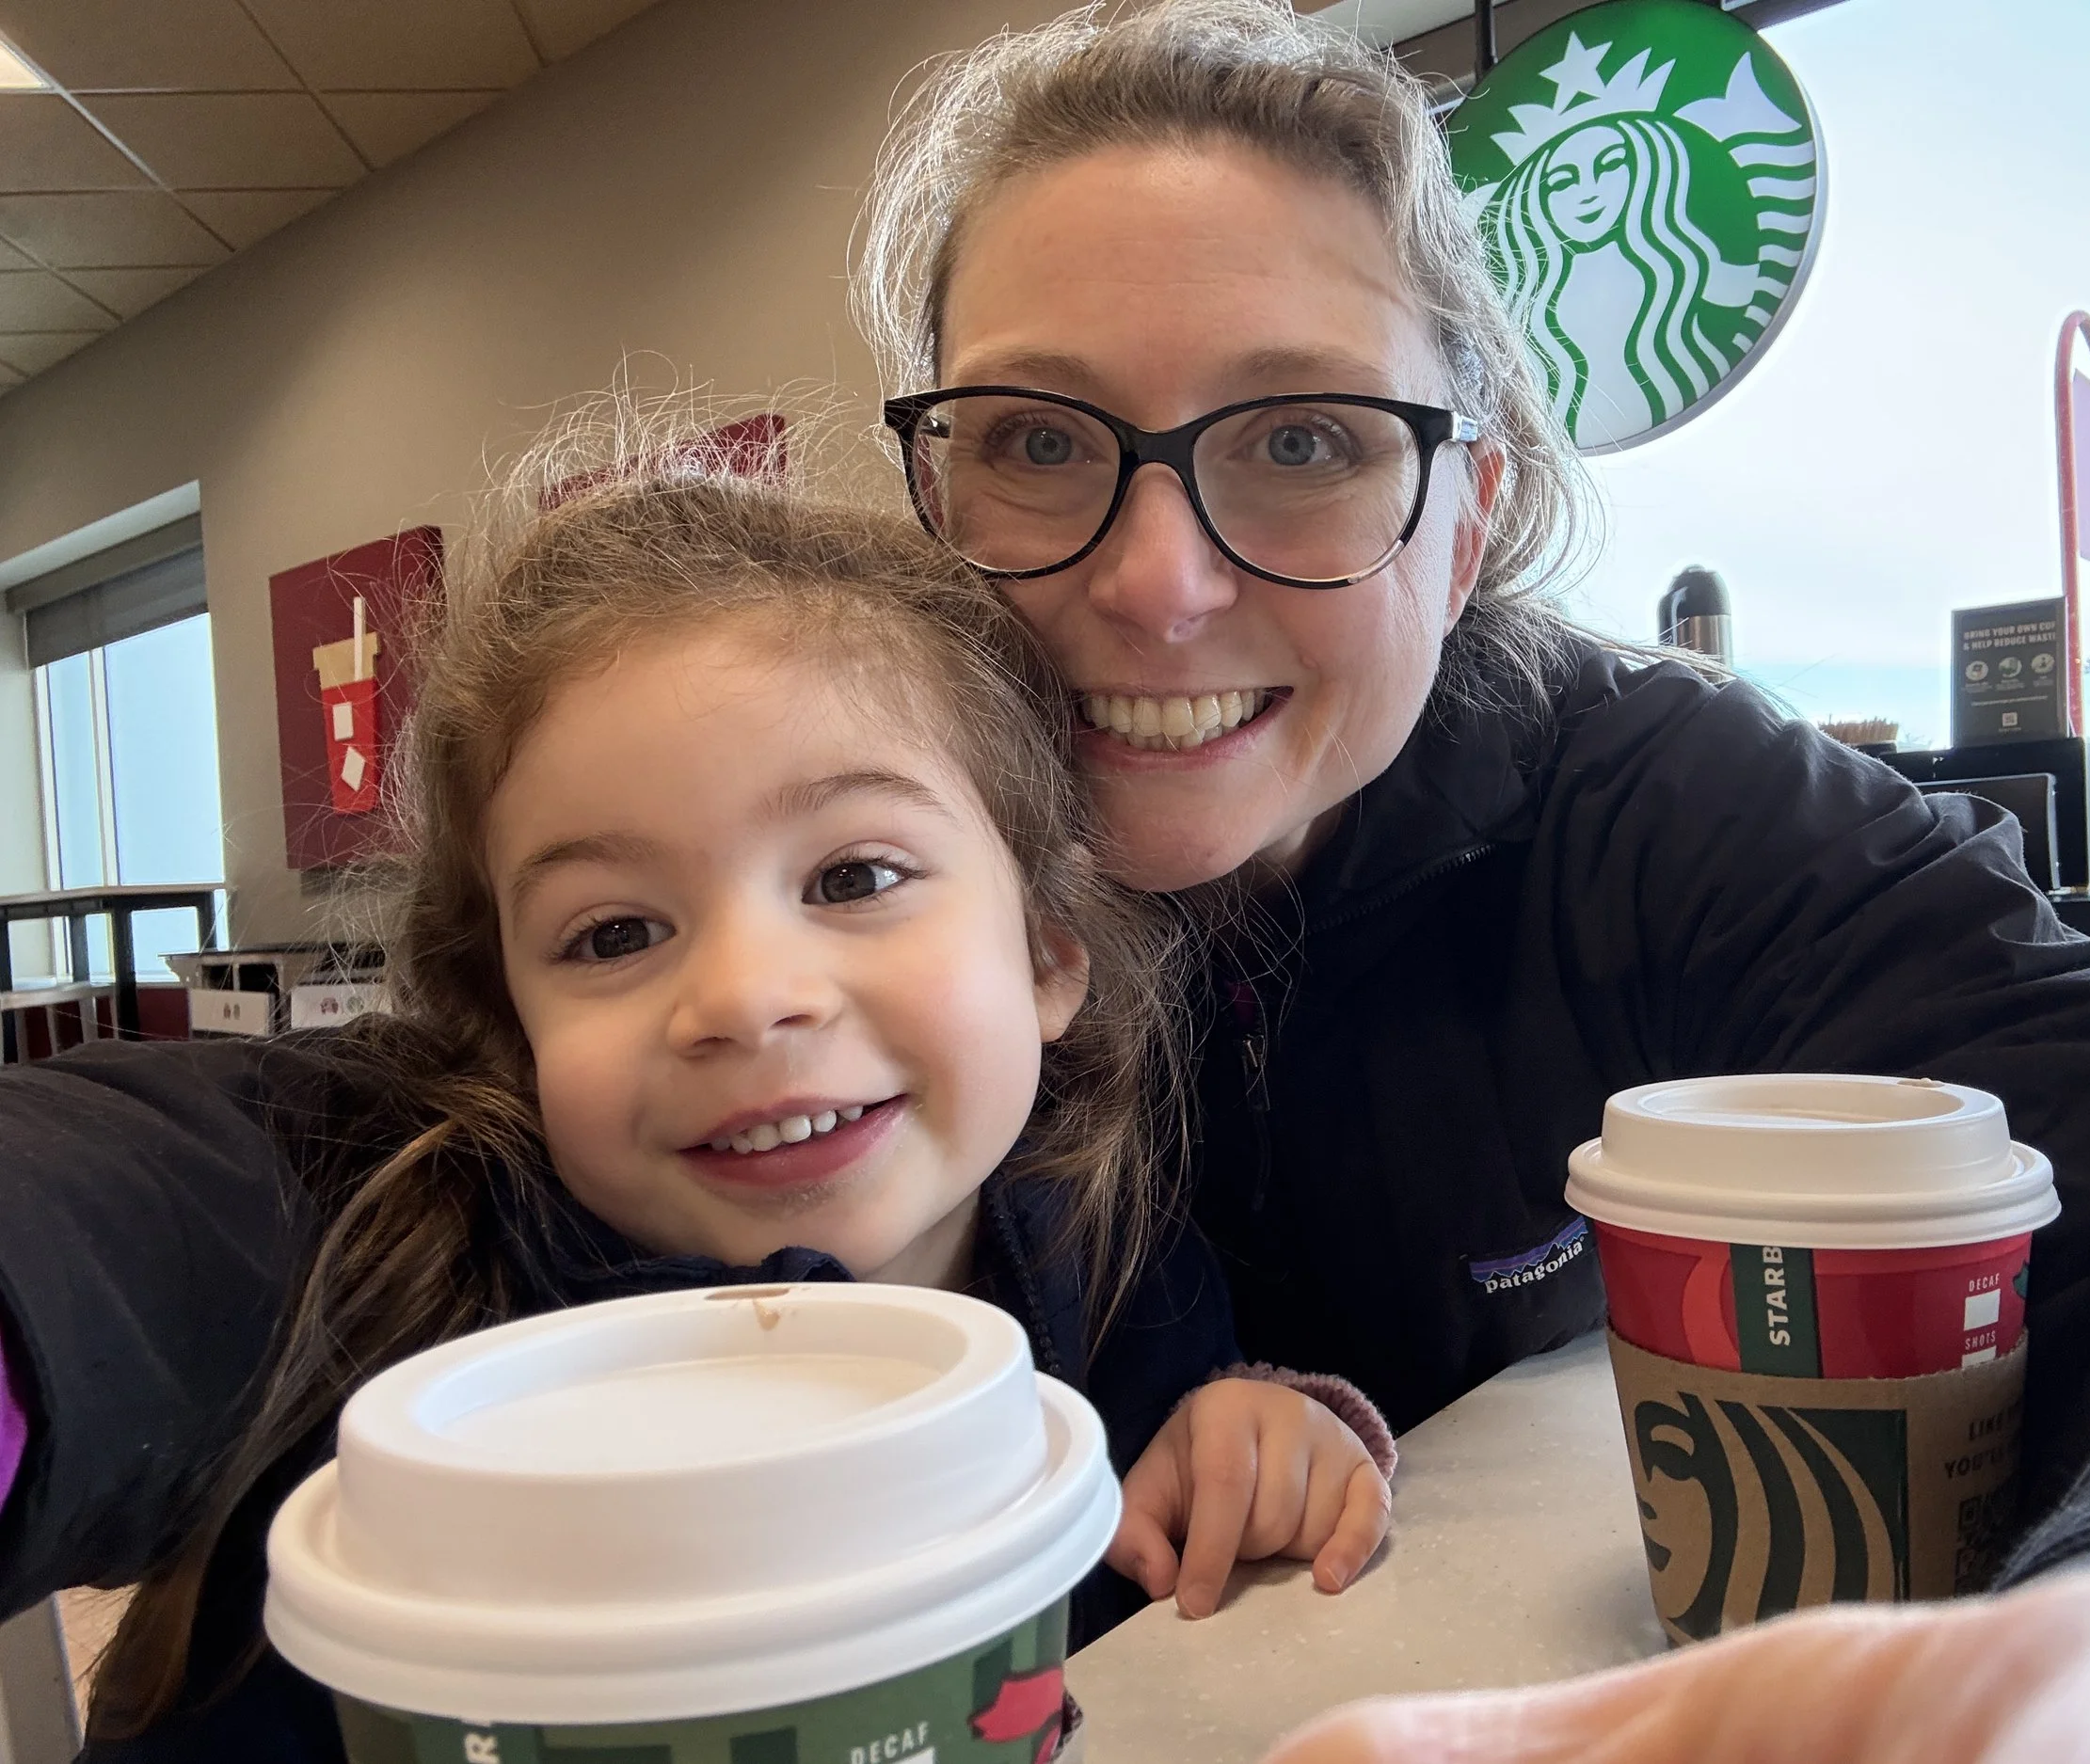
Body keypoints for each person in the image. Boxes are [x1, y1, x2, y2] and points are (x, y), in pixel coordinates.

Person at [850, 0, 2090, 1748]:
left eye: (1306, 439)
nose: (1160, 583)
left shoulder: (1658, 805)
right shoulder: (787, 878)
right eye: (1038, 441)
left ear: (1468, 516)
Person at [0, 428, 1394, 1761]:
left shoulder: (1116, 1251)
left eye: (853, 876)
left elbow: (1154, 1503)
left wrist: (1248, 1429)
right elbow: (110, 1204)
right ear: (513, 1027)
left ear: (1044, 952)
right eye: (613, 934)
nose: (743, 995)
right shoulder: (411, 1322)